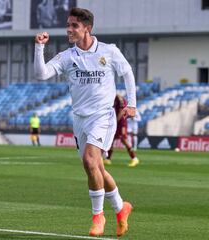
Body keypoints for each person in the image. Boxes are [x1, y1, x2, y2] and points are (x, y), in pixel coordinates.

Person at [34, 7, 136, 237]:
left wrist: (132, 104)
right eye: (68, 25)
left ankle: (98, 217)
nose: (69, 29)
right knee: (96, 168)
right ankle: (121, 208)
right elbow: (41, 74)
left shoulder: (109, 52)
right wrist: (39, 47)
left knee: (91, 162)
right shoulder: (68, 56)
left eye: (74, 26)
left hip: (103, 116)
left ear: (87, 28)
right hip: (79, 119)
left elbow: (127, 73)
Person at [103, 94, 139, 167]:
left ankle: (134, 158)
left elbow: (122, 111)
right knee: (112, 139)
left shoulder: (119, 98)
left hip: (121, 122)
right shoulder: (111, 97)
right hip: (117, 121)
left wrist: (115, 121)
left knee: (123, 139)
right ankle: (108, 159)